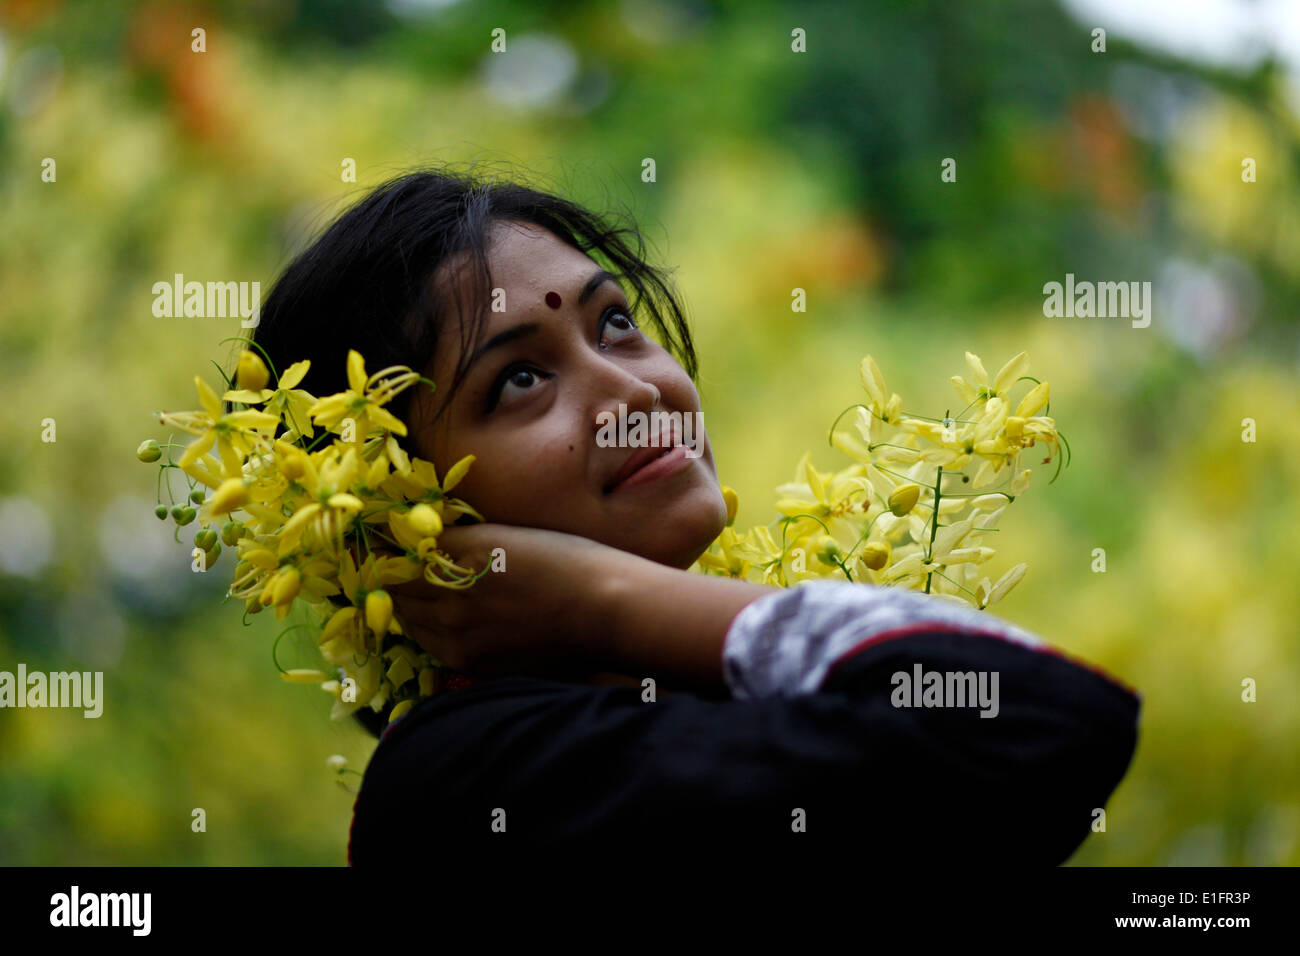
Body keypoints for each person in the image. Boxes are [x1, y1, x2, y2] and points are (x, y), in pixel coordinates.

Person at [254, 165, 1140, 865]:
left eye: (614, 324)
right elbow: (1039, 720)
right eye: (519, 379)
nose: (637, 387)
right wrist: (604, 600)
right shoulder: (464, 781)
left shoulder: (680, 707)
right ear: (399, 516)